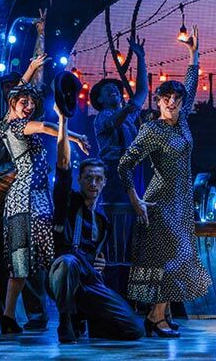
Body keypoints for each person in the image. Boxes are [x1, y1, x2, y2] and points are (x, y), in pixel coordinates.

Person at [118, 26, 211, 338]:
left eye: (176, 98)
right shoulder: (152, 130)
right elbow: (124, 165)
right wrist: (135, 199)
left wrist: (193, 54)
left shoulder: (182, 120)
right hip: (160, 203)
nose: (172, 102)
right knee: (172, 259)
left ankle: (162, 315)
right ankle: (155, 317)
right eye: (166, 98)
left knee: (176, 258)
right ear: (157, 101)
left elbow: (191, 84)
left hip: (182, 202)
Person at [0, 56, 90, 334]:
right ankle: (52, 313)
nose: (27, 107)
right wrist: (75, 137)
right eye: (22, 103)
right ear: (12, 105)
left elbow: (21, 94)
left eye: (31, 103)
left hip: (35, 197)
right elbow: (47, 128)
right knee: (26, 260)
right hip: (24, 199)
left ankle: (12, 316)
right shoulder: (13, 126)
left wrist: (32, 69)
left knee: (29, 262)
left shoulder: (8, 122)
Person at [49, 97, 143, 343]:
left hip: (89, 279)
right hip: (64, 274)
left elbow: (98, 256)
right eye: (88, 178)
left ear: (104, 182)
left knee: (134, 330)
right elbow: (63, 164)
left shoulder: (102, 221)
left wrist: (99, 262)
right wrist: (63, 119)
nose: (93, 183)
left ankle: (85, 317)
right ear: (80, 180)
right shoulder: (68, 203)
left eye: (98, 179)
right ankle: (66, 320)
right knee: (68, 262)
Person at [91, 35, 148, 295]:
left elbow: (142, 94)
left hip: (133, 170)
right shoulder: (102, 118)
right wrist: (130, 105)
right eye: (108, 91)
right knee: (115, 221)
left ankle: (131, 279)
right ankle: (112, 281)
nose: (114, 92)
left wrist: (141, 58)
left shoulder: (125, 115)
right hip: (114, 173)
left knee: (135, 220)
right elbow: (123, 113)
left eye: (115, 89)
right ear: (100, 100)